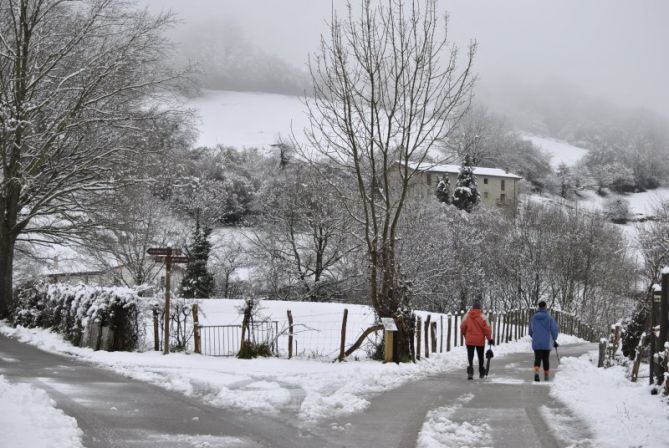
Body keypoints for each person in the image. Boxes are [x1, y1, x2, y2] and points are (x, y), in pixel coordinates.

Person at [460, 300, 494, 379]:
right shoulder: (483, 316)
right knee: (480, 356)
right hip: (480, 340)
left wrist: (465, 334)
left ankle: (470, 371)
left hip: (470, 339)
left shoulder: (467, 316)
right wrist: (489, 339)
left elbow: (462, 326)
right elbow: (487, 329)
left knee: (470, 355)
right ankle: (481, 372)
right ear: (480, 308)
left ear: (472, 307)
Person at [528, 300, 559, 382]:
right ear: (545, 307)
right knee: (546, 359)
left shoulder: (533, 317)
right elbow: (554, 329)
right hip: (546, 342)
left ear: (538, 307)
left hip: (537, 342)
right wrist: (554, 338)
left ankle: (537, 373)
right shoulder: (549, 318)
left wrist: (534, 336)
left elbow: (530, 330)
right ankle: (546, 375)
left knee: (537, 358)